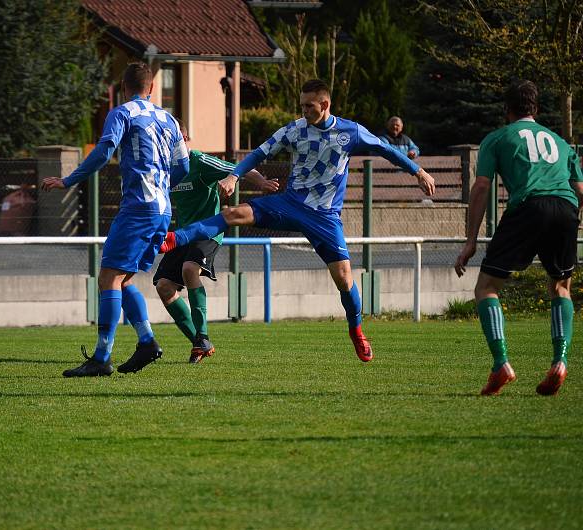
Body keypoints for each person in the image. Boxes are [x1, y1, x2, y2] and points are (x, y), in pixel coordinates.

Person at [160, 79, 436, 361]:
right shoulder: (294, 130)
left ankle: (356, 329)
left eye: (309, 105)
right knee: (233, 213)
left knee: (343, 279)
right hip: (290, 204)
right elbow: (260, 152)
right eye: (302, 105)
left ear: (325, 105)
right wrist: (233, 176)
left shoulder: (350, 132)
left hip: (324, 216)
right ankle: (175, 238)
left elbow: (386, 150)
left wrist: (418, 171)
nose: (303, 110)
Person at [42, 62, 189, 377]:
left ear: (124, 88)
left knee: (108, 277)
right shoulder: (170, 120)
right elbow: (184, 167)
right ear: (151, 88)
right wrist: (161, 187)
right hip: (163, 209)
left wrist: (69, 180)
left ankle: (101, 358)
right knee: (124, 279)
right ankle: (147, 341)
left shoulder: (122, 113)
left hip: (139, 208)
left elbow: (104, 149)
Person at [454, 80, 583, 396]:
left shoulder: (497, 138)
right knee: (560, 287)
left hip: (528, 206)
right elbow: (581, 190)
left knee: (486, 287)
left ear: (506, 109)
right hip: (566, 207)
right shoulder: (561, 143)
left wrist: (470, 240)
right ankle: (560, 361)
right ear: (536, 109)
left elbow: (482, 186)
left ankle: (501, 363)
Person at [155, 125, 279, 363]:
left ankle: (201, 335)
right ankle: (200, 343)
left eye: (177, 139)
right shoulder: (164, 168)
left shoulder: (200, 162)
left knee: (190, 269)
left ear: (186, 139)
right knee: (163, 286)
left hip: (208, 231)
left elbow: (240, 168)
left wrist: (261, 182)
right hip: (182, 233)